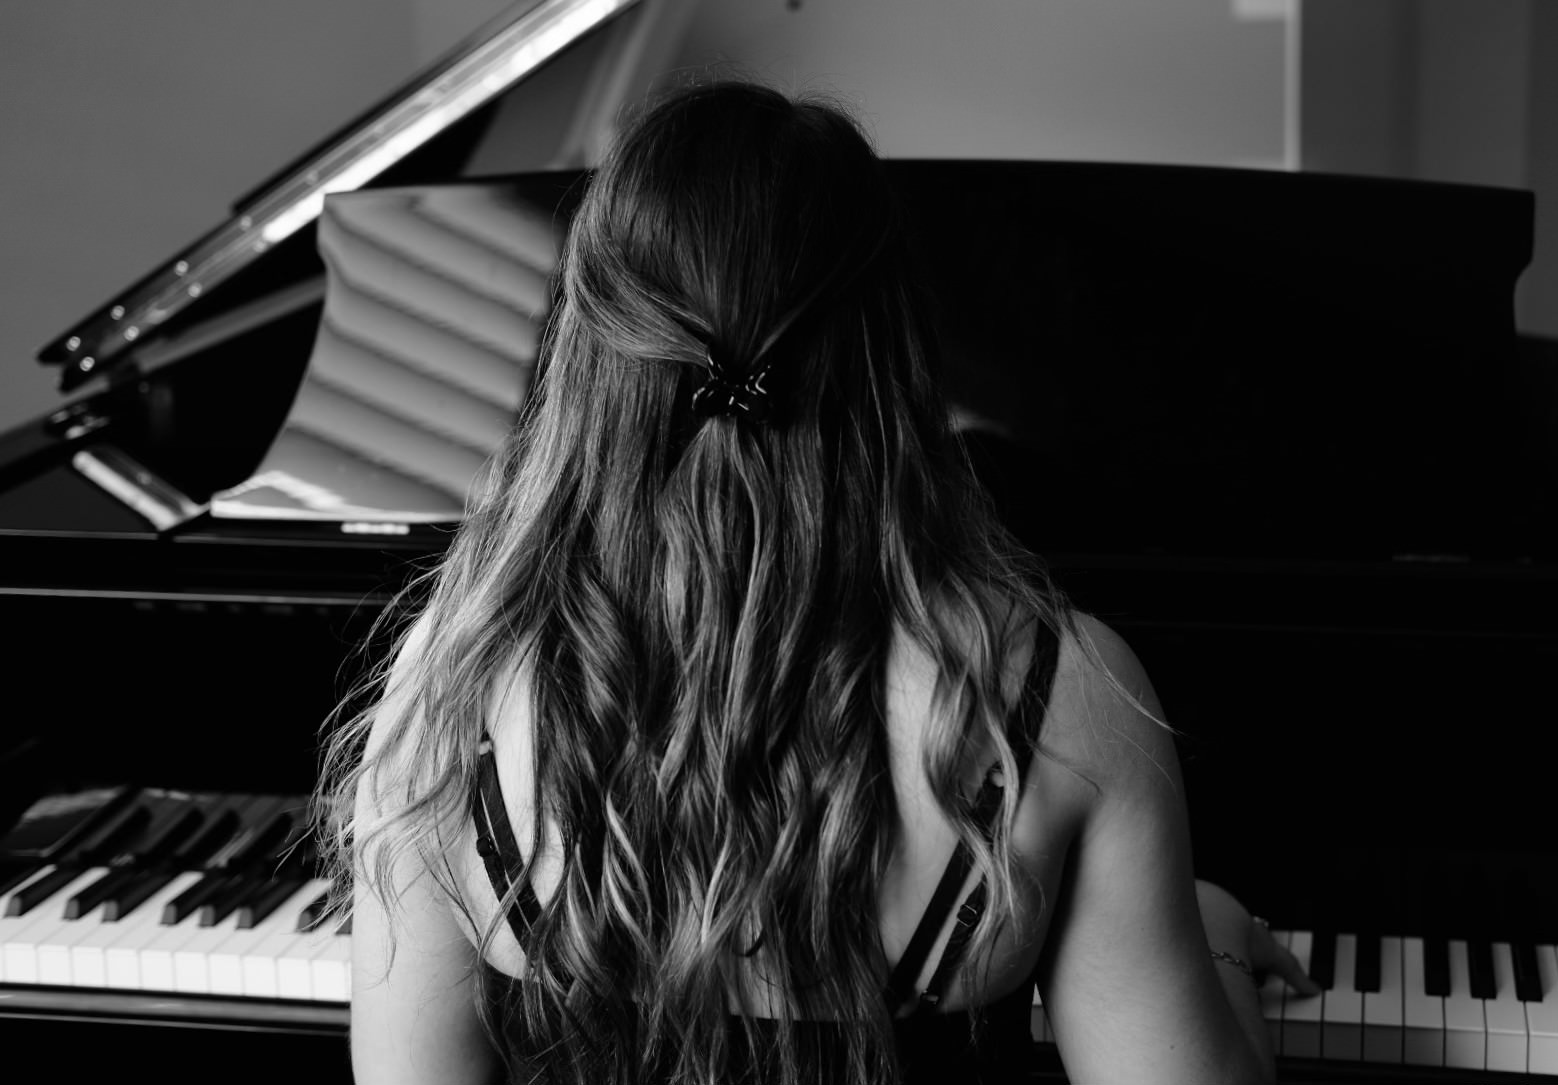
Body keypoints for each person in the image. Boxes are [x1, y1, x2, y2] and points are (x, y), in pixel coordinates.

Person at [317, 79, 1318, 1085]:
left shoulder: (450, 681)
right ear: (892, 356)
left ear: (588, 353)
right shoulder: (1061, 692)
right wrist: (1216, 932)